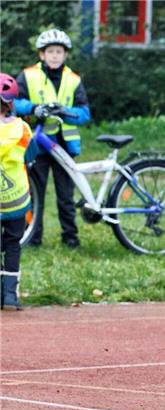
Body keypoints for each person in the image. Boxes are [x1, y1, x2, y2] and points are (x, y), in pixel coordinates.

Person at [13, 29, 90, 248]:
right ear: (42, 54)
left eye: (59, 51)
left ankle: (70, 237)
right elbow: (14, 103)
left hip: (64, 146)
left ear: (65, 55)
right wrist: (34, 108)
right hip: (38, 144)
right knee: (34, 194)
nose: (55, 55)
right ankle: (33, 237)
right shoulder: (28, 76)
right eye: (50, 51)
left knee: (65, 195)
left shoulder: (73, 80)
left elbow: (85, 113)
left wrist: (65, 111)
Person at [1, 73, 33, 310]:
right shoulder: (23, 129)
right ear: (11, 103)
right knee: (13, 243)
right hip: (16, 199)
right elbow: (30, 156)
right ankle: (10, 296)